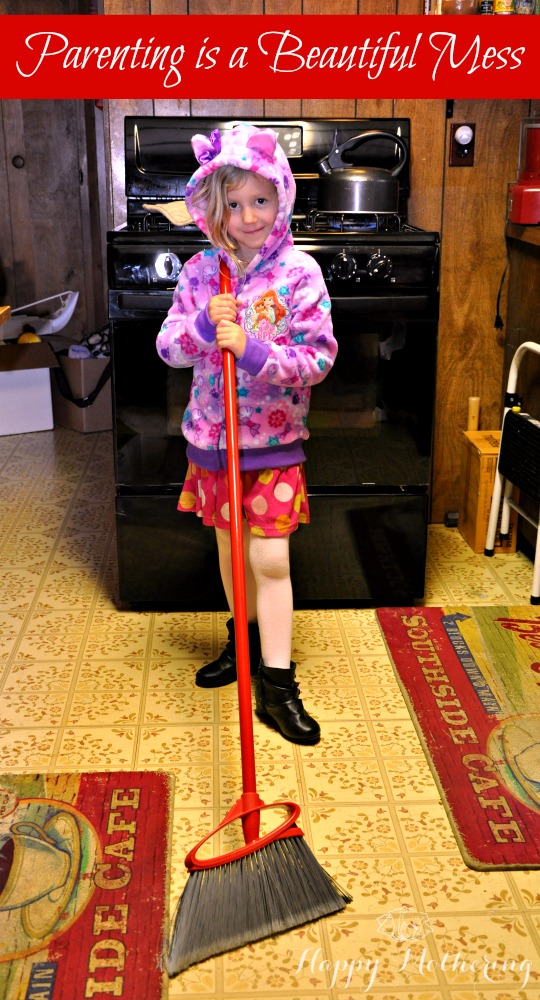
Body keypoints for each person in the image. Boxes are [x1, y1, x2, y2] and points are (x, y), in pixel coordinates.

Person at [156, 123, 337, 745]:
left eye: (260, 200)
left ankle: (277, 683)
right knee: (232, 553)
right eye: (232, 204)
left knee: (270, 557)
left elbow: (318, 360)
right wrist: (204, 331)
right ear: (215, 209)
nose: (247, 215)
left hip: (272, 445)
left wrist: (256, 352)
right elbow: (168, 347)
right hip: (214, 440)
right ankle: (244, 643)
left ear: (281, 199)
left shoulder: (300, 273)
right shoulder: (203, 273)